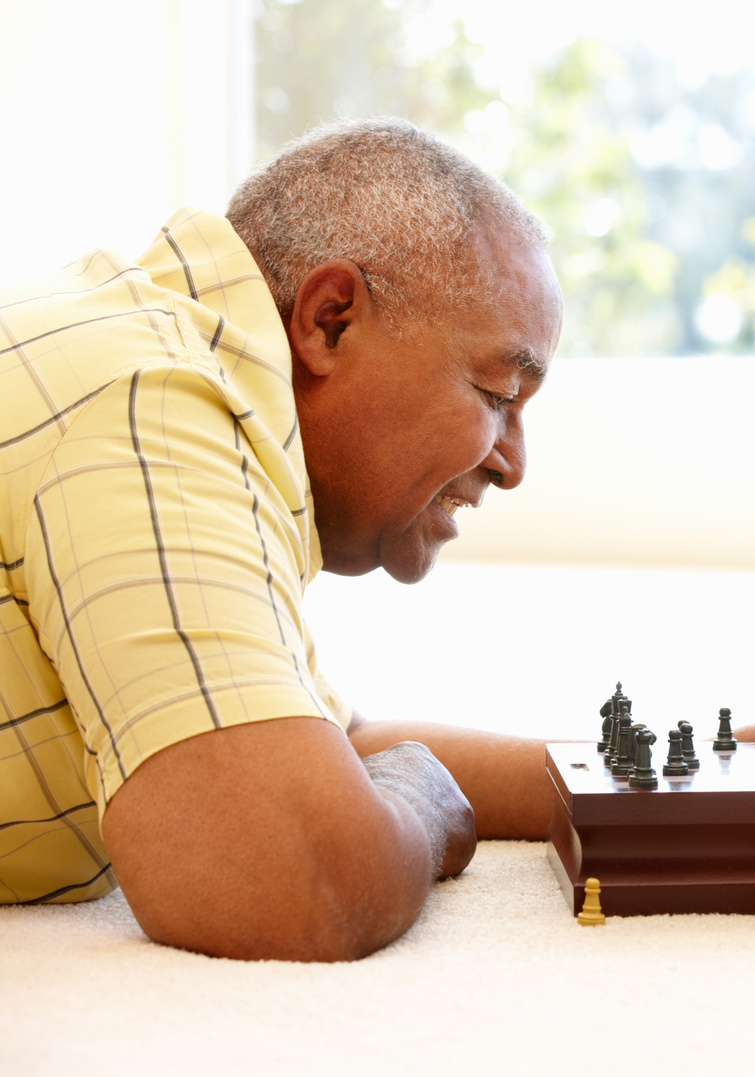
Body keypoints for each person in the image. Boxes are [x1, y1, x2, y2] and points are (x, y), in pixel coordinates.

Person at [0, 120, 563, 960]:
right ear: (329, 320)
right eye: (497, 392)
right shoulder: (151, 401)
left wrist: (646, 771)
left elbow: (325, 747)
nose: (513, 464)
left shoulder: (182, 372)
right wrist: (420, 797)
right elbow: (291, 878)